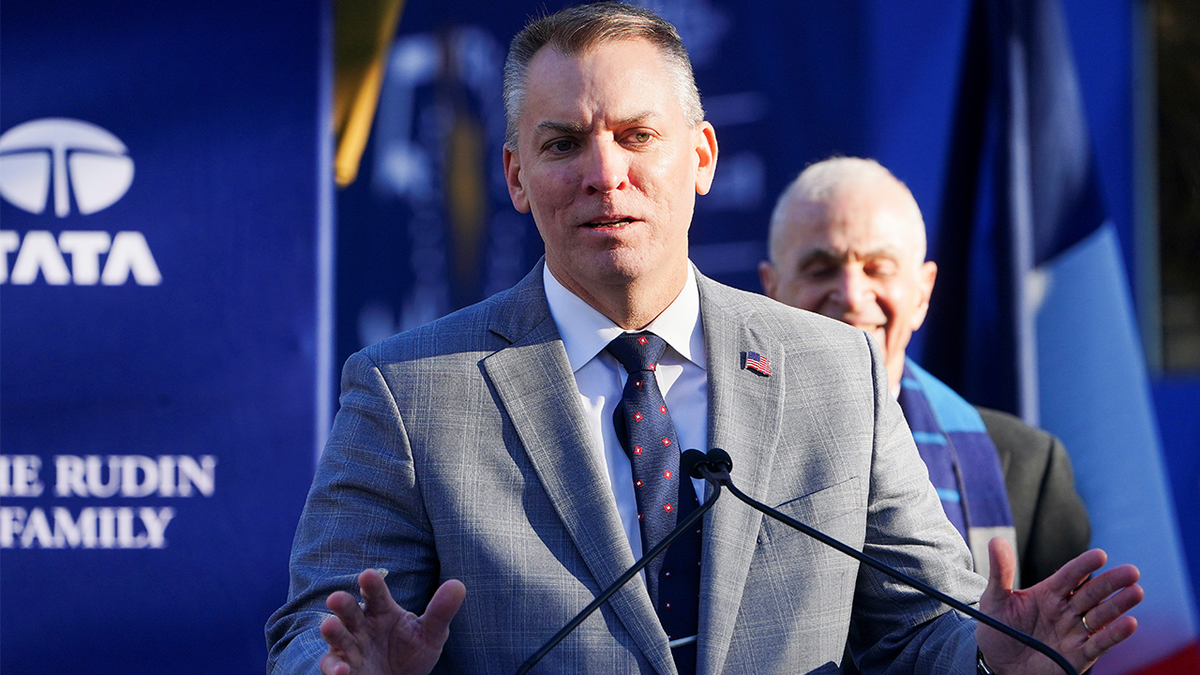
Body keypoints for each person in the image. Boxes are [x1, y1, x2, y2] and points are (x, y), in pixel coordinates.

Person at [266, 4, 1142, 675]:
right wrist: (339, 666)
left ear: (702, 157)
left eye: (637, 136)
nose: (603, 173)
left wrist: (991, 656)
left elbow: (917, 627)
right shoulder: (408, 390)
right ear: (516, 177)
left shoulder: (834, 372)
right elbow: (314, 627)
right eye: (563, 142)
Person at [759, 156, 1091, 588]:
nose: (852, 294)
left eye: (878, 268)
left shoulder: (1028, 470)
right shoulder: (711, 456)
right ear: (771, 290)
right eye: (821, 269)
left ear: (922, 293)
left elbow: (1056, 650)